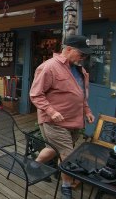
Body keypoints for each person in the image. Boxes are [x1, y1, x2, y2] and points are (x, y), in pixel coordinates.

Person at [29, 35, 95, 199]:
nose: (83, 57)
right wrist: (51, 111)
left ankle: (34, 164)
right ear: (69, 49)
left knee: (55, 149)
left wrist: (87, 110)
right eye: (82, 53)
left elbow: (81, 95)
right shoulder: (49, 67)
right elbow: (36, 95)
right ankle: (66, 186)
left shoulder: (80, 70)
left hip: (75, 120)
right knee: (67, 153)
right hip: (54, 121)